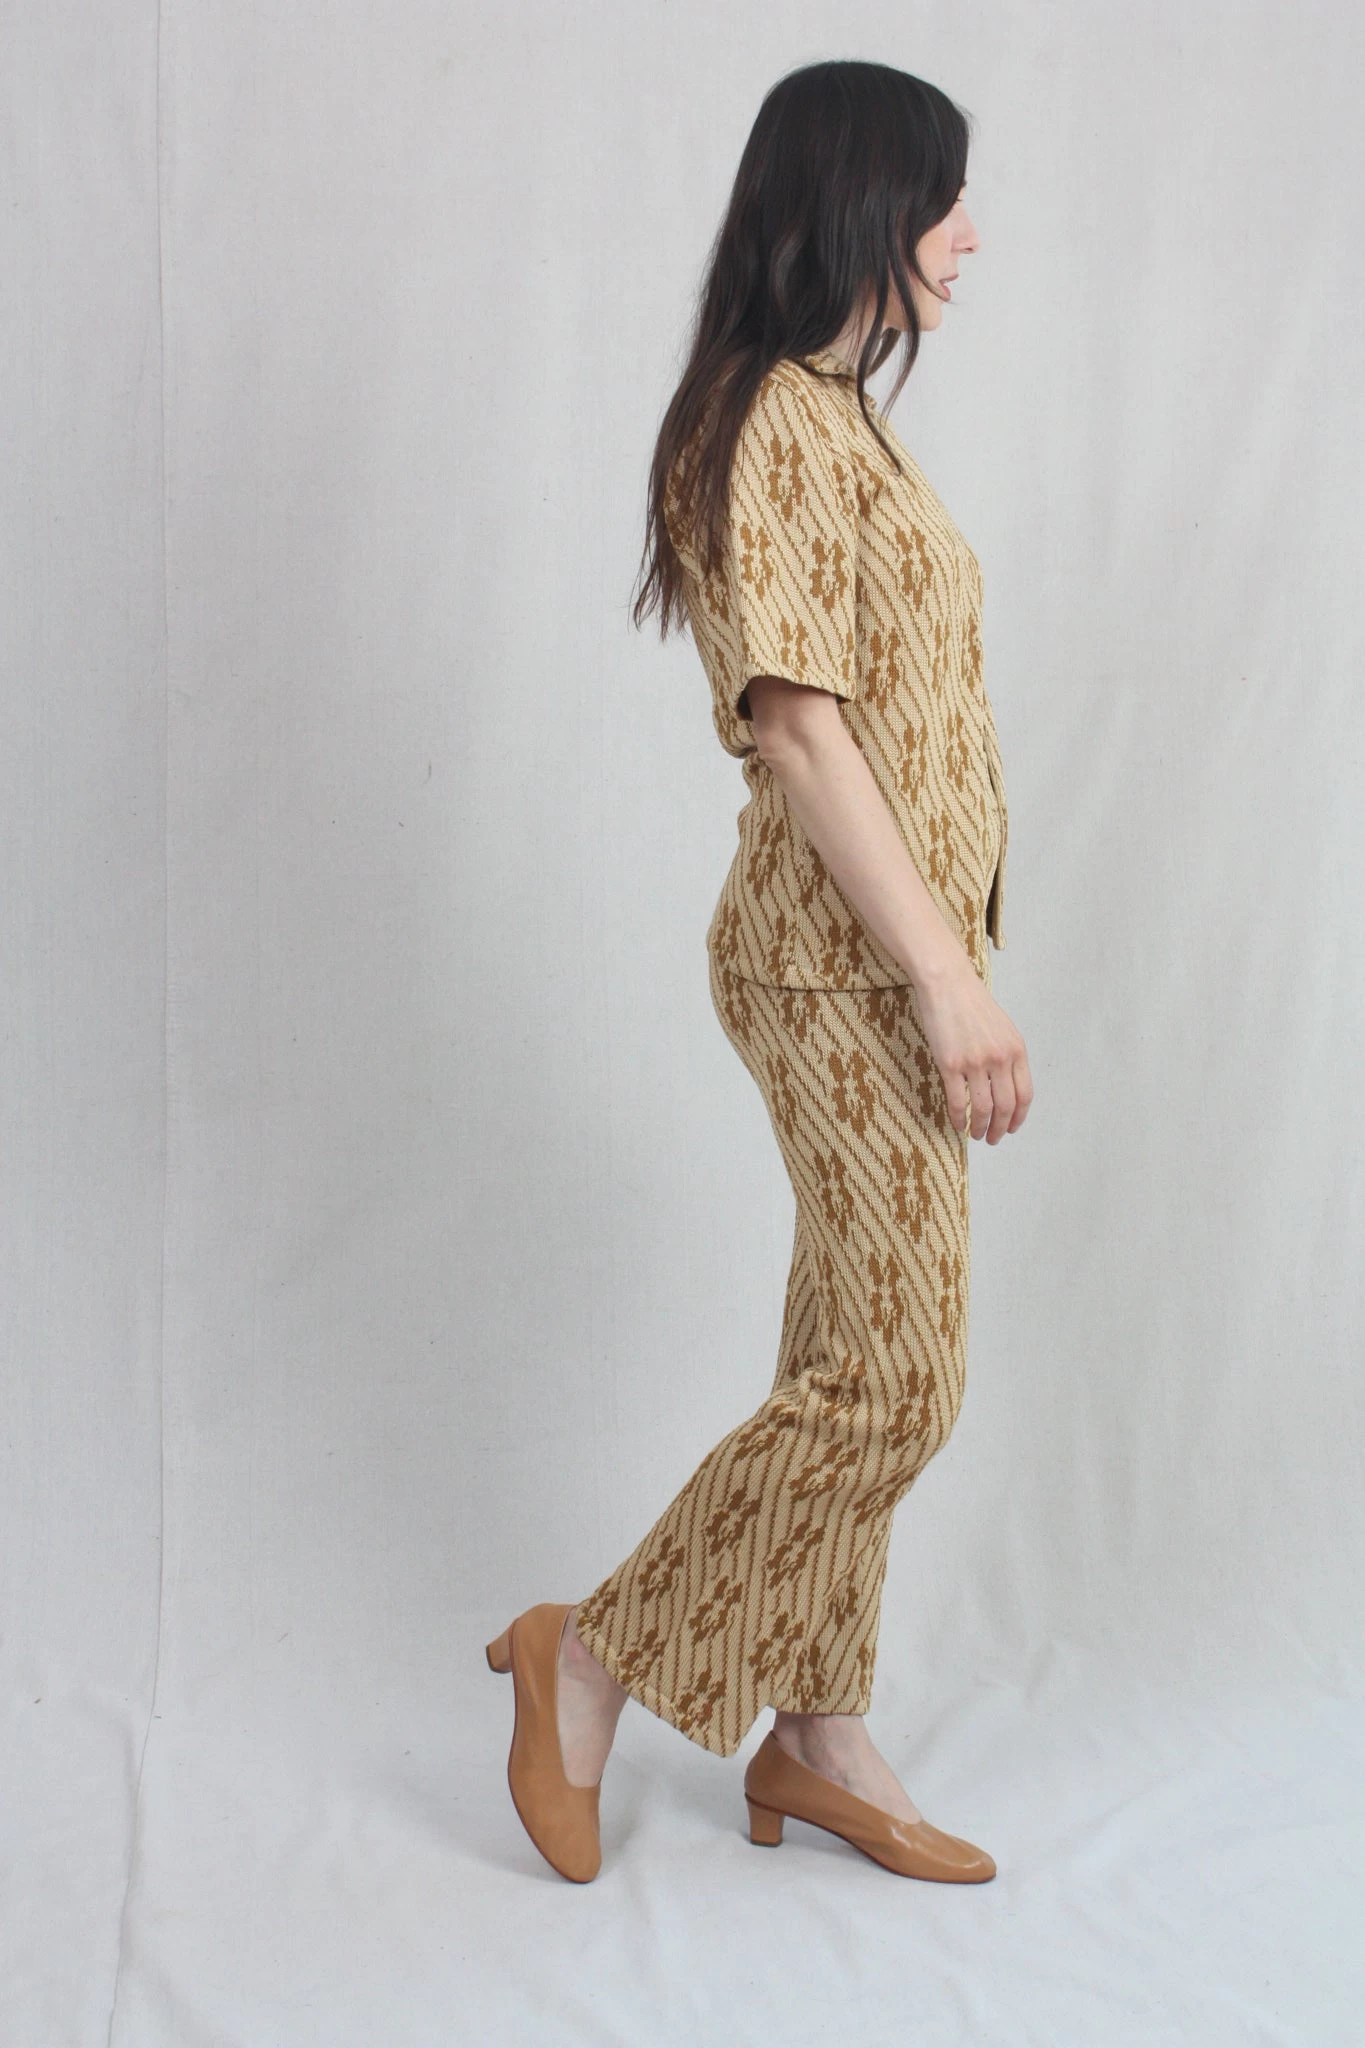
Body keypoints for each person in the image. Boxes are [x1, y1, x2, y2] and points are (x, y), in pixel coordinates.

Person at [485, 57, 1033, 1885]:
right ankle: (591, 1652)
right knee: (897, 1379)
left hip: (879, 963)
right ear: (861, 200)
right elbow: (799, 729)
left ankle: (815, 1729)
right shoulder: (770, 423)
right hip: (835, 972)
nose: (969, 234)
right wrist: (947, 982)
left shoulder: (834, 418)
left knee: (846, 1349)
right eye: (943, 198)